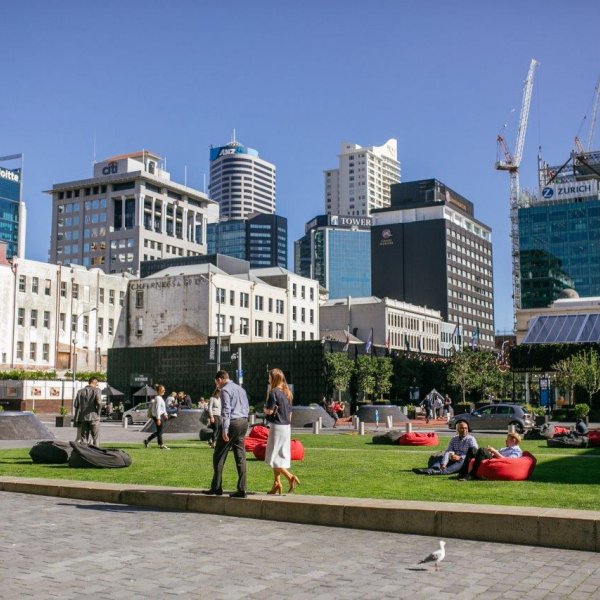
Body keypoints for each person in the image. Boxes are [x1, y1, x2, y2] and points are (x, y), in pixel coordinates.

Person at [204, 370, 249, 498]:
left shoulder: (225, 390)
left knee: (218, 455)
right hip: (243, 422)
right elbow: (246, 407)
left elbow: (226, 410)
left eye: (217, 382)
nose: (217, 385)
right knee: (240, 456)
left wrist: (224, 429)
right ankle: (242, 489)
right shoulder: (241, 389)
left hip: (233, 423)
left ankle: (216, 487)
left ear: (220, 379)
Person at [263, 368, 300, 495]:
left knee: (272, 457)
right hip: (286, 427)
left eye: (269, 377)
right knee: (279, 454)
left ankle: (290, 477)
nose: (268, 379)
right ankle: (277, 483)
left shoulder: (273, 392)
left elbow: (269, 410)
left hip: (277, 426)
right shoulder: (287, 392)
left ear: (274, 378)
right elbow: (290, 414)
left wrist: (264, 411)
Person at [413, 422, 478, 475]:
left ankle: (440, 472)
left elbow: (474, 453)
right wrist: (444, 463)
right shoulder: (454, 439)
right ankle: (433, 469)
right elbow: (448, 451)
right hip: (453, 458)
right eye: (462, 428)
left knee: (462, 461)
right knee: (441, 456)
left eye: (466, 428)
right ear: (458, 429)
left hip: (465, 460)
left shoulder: (471, 439)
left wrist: (460, 457)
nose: (464, 430)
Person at [456, 432, 523, 481]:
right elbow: (497, 452)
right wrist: (491, 451)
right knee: (472, 449)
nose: (506, 440)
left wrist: (494, 451)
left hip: (497, 461)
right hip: (493, 457)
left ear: (513, 440)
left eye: (507, 439)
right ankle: (462, 474)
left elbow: (509, 461)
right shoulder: (506, 448)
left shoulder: (517, 451)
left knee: (482, 450)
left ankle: (472, 475)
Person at [73, 377, 102, 446]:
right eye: (97, 384)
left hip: (83, 418)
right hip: (94, 417)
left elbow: (75, 405)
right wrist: (99, 413)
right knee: (95, 438)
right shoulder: (97, 390)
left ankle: (84, 453)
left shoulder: (80, 391)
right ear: (95, 383)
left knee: (84, 438)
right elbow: (99, 403)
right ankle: (96, 453)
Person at [143, 384, 170, 449]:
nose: (164, 391)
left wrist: (165, 414)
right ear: (159, 391)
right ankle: (161, 445)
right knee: (160, 431)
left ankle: (147, 441)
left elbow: (162, 408)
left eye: (164, 390)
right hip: (158, 416)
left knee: (159, 431)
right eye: (163, 390)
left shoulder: (160, 398)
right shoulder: (158, 398)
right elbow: (157, 409)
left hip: (160, 415)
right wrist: (158, 419)